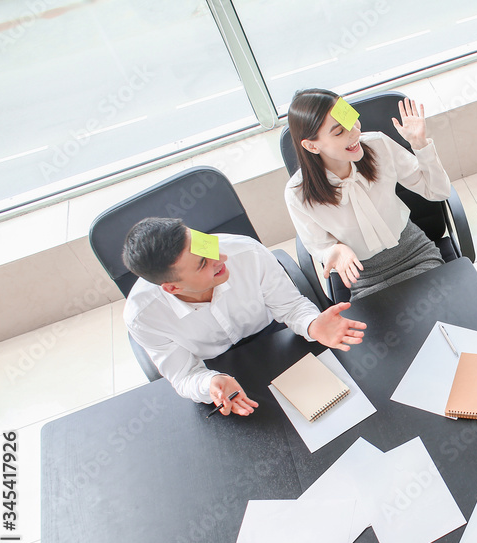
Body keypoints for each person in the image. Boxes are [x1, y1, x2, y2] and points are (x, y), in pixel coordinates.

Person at [122, 217, 366, 416]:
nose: (222, 258)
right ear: (172, 288)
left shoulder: (246, 251)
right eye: (203, 263)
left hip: (273, 337)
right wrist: (210, 384)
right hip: (216, 366)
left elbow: (290, 307)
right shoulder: (142, 316)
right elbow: (185, 375)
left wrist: (312, 324)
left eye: (206, 244)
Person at [284, 89, 452, 300]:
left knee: (444, 312)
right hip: (363, 276)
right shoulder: (297, 194)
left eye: (353, 120)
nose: (355, 133)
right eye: (339, 132)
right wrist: (335, 251)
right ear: (311, 145)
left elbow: (439, 191)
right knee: (385, 331)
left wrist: (420, 145)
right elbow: (319, 245)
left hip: (413, 253)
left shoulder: (377, 145)